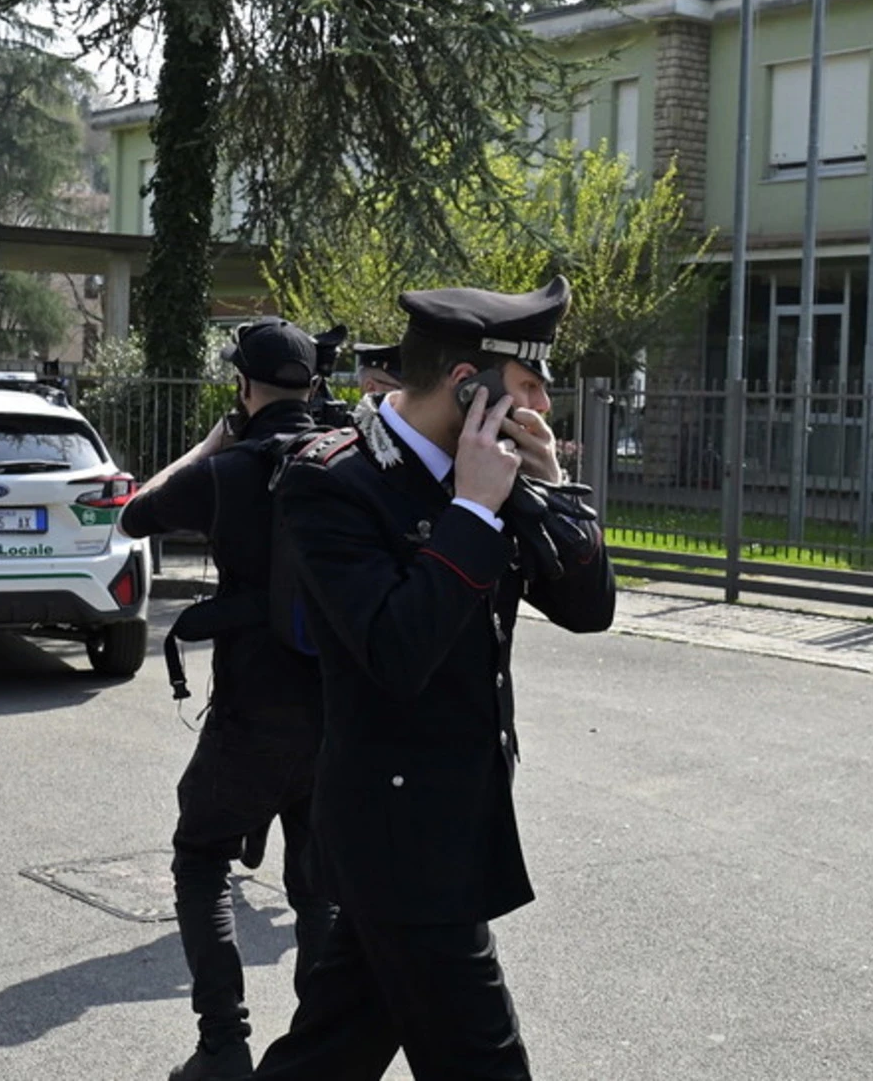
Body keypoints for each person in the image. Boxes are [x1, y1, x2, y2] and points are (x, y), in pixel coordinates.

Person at [251, 276, 615, 1081]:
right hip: (397, 837)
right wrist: (474, 512)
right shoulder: (333, 480)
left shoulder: (488, 468)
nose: (543, 405)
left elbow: (589, 611)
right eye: (528, 384)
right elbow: (395, 652)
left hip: (456, 819)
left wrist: (550, 493)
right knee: (485, 1063)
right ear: (465, 385)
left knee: (331, 1048)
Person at [119, 319, 337, 1081]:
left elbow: (135, 513)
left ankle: (224, 1045)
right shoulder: (346, 461)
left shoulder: (231, 470)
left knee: (202, 856)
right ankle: (320, 1051)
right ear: (315, 386)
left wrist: (213, 444)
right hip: (336, 714)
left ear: (242, 387)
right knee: (319, 888)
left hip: (252, 714)